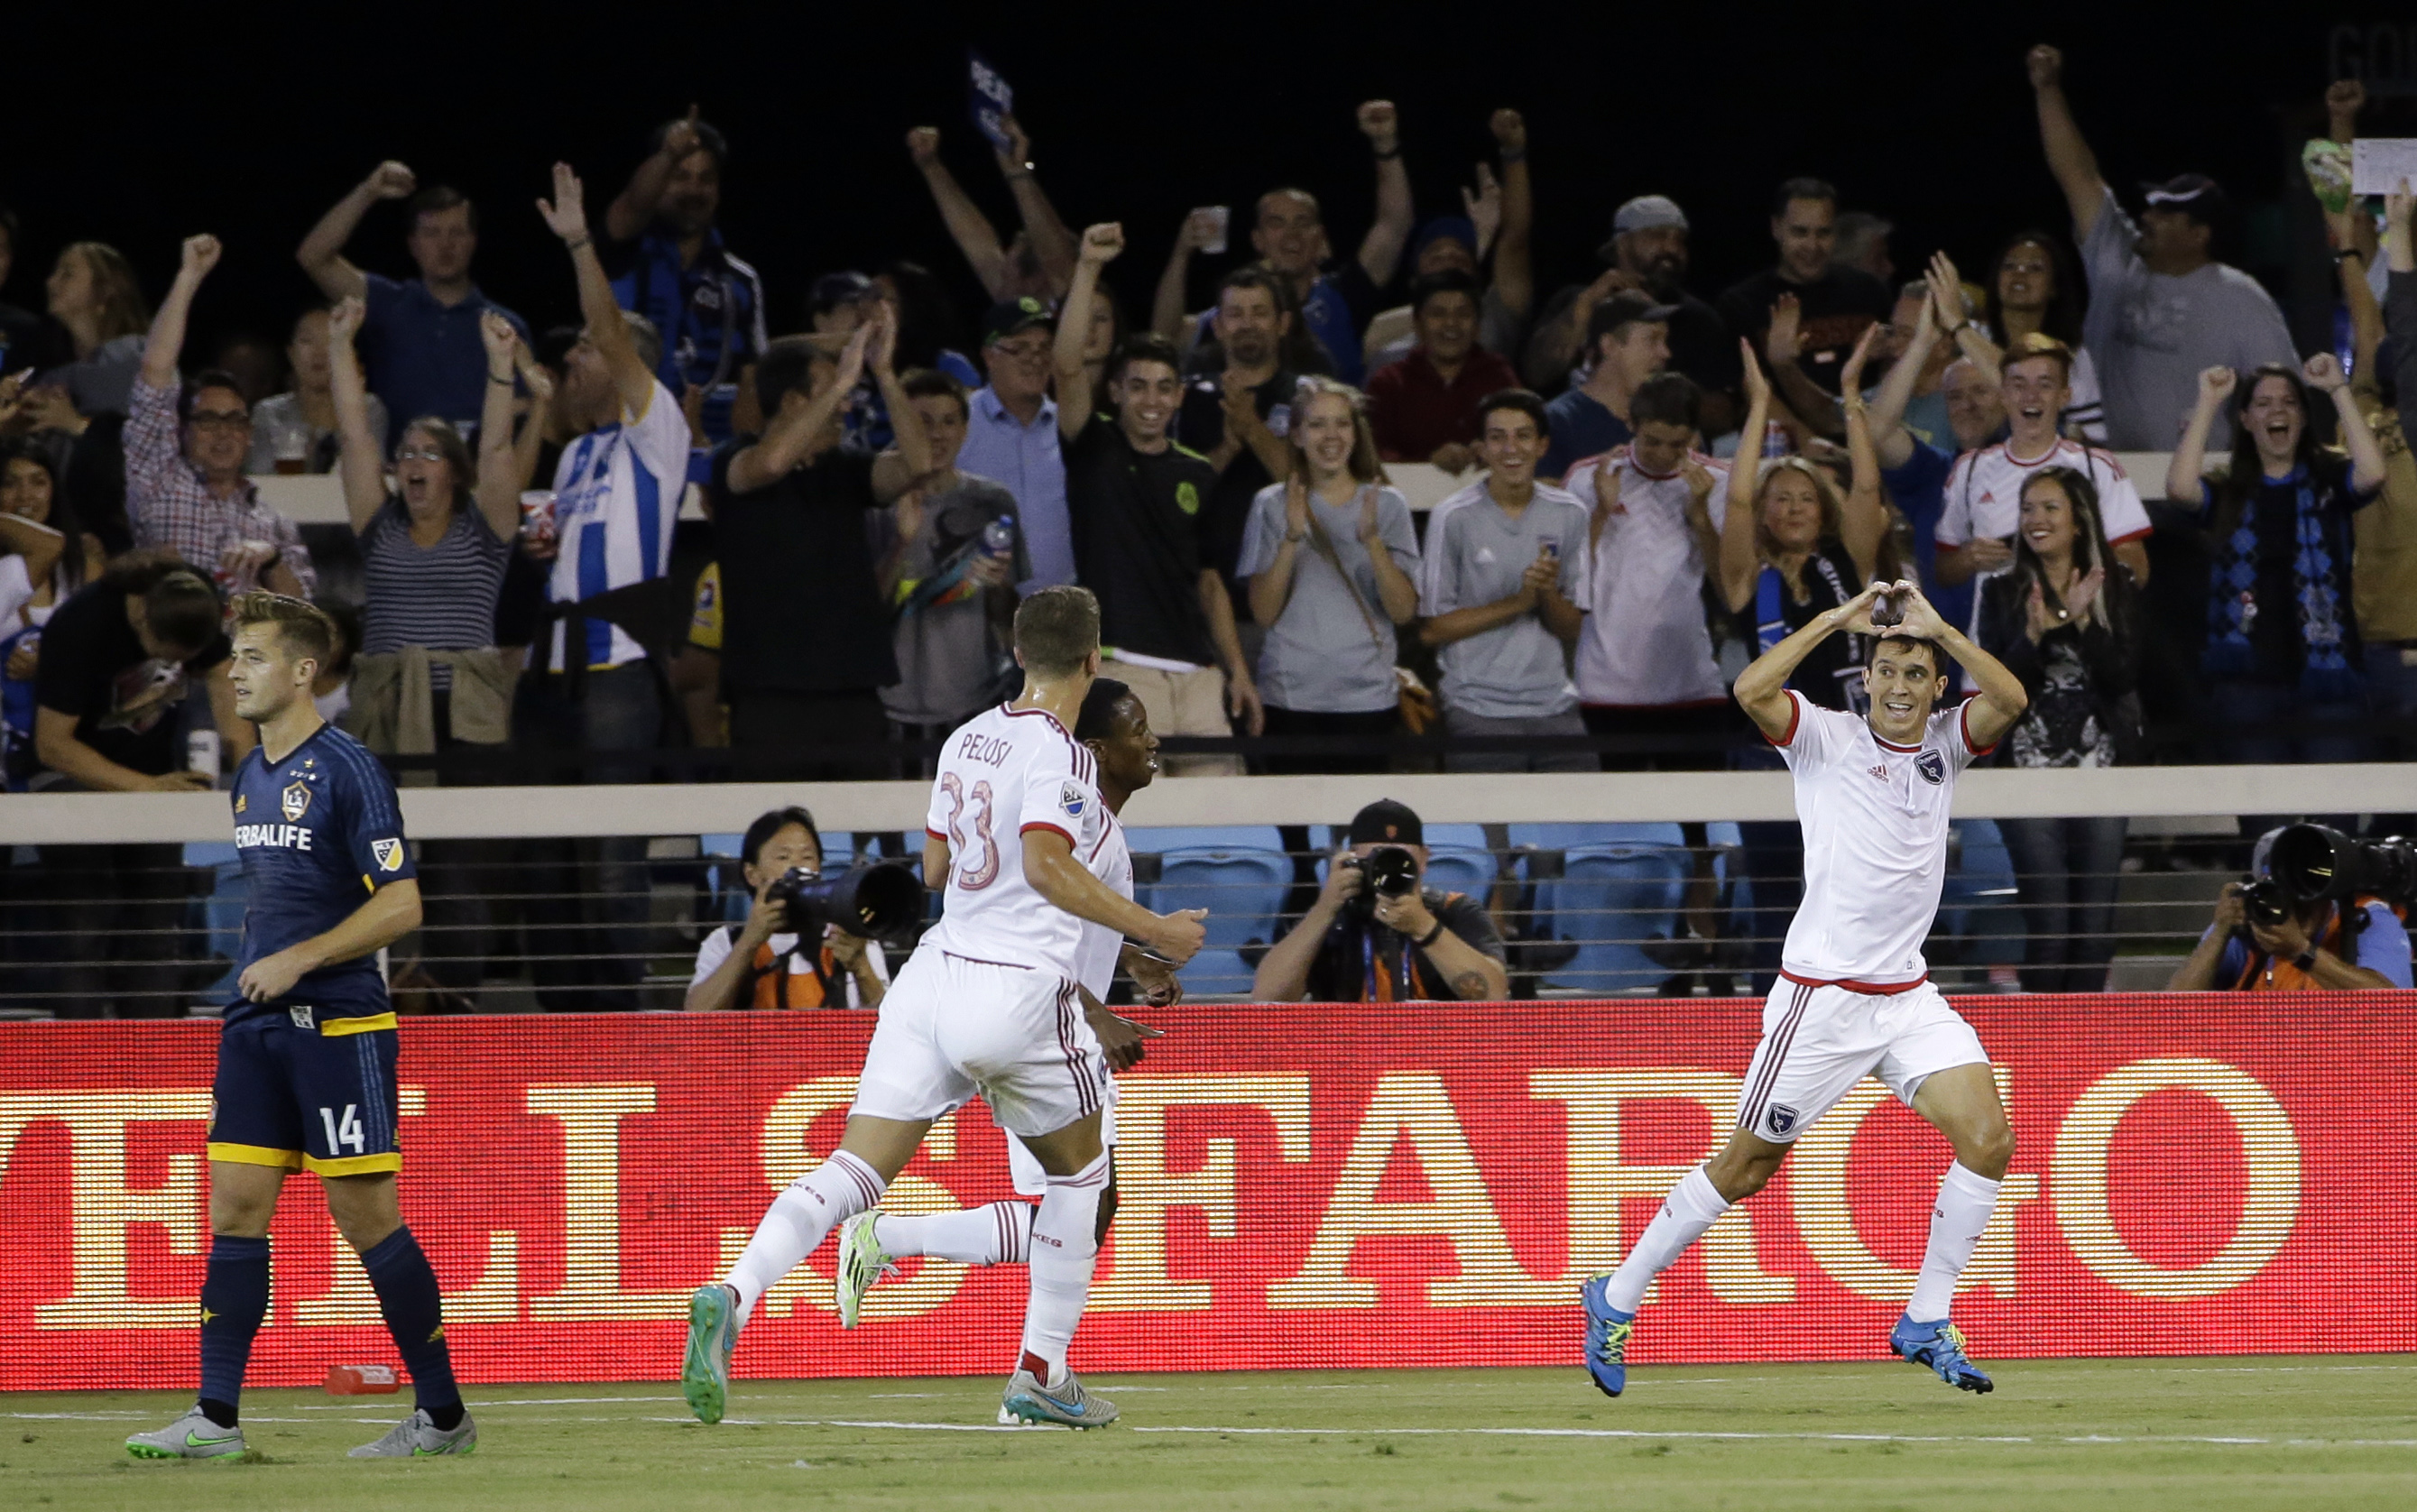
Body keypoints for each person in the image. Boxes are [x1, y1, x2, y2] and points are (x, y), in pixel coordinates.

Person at [678, 586, 1208, 1430]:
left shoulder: (966, 736)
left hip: (934, 975)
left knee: (853, 1171)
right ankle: (1040, 1374)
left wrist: (1125, 953)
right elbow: (1042, 866)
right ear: (1092, 658)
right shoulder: (1065, 757)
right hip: (1015, 989)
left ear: (1014, 648)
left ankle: (735, 1293)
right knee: (1081, 1181)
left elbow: (934, 869)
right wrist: (1158, 932)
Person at [1582, 578, 2027, 1400]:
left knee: (1989, 1141)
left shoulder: (1946, 743)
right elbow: (1750, 689)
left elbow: (2010, 696)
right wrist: (1835, 619)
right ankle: (1614, 1297)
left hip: (1905, 999)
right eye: (1884, 671)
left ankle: (1925, 1319)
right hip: (1820, 1002)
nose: (1897, 686)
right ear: (1864, 681)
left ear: (1935, 688)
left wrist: (1942, 631)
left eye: (1913, 674)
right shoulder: (1821, 738)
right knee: (1747, 1166)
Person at [124, 593, 473, 1461]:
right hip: (254, 1026)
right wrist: (266, 969)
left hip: (338, 1025)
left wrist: (302, 959)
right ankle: (215, 1419)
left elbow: (401, 903)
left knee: (366, 1219)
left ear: (303, 669)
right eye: (234, 656)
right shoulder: (251, 774)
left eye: (251, 656)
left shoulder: (349, 769)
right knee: (234, 1212)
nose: (234, 671)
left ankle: (442, 1417)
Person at [829, 678, 1176, 1311]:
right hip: (1034, 1026)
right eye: (1137, 729)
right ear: (1095, 750)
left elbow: (1056, 926)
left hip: (1042, 1018)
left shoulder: (1085, 828)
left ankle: (892, 1241)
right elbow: (1030, 937)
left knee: (1090, 1215)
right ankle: (889, 1238)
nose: (1153, 741)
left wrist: (1131, 960)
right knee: (1081, 1215)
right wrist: (1093, 1015)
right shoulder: (1076, 830)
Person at [521, 161, 691, 1012]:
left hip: (620, 665)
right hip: (554, 668)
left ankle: (617, 1008)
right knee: (557, 845)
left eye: (586, 348)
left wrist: (581, 240)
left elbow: (615, 338)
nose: (576, 357)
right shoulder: (577, 450)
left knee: (613, 850)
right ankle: (568, 1002)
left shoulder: (657, 430)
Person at [1056, 226, 1261, 775]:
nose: (1152, 399)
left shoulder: (1198, 472)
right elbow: (1067, 367)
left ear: (1179, 396)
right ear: (1117, 392)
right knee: (1134, 837)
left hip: (1198, 676)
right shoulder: (1095, 449)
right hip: (1125, 670)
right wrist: (1086, 268)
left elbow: (1211, 582)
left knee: (1220, 834)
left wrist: (1237, 670)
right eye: (1138, 386)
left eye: (1163, 387)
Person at [1720, 339, 1889, 988]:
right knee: (1774, 903)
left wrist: (1849, 393)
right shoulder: (1744, 577)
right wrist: (1759, 407)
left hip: (1850, 756)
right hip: (1768, 756)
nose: (1790, 506)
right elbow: (1732, 503)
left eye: (1803, 497)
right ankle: (1773, 1018)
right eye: (1779, 498)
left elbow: (1868, 485)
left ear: (1823, 510)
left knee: (1848, 900)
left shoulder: (1846, 566)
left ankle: (1851, 1009)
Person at [2026, 44, 2294, 449]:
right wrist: (2047, 90)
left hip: (2204, 484)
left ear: (2198, 235)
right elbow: (2078, 175)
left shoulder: (2241, 298)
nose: (2147, 218)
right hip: (2116, 480)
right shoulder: (2115, 262)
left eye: (2166, 215)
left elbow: (2284, 398)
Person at [710, 315, 928, 779]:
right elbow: (770, 463)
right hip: (771, 698)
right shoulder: (733, 461)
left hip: (855, 694)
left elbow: (917, 463)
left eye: (846, 393)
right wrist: (842, 379)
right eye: (833, 393)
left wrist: (884, 373)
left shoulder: (844, 468)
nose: (845, 406)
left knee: (866, 841)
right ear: (791, 402)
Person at [29, 559, 241, 1016]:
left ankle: (153, 1060)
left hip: (154, 782)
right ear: (143, 614)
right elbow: (52, 745)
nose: (173, 668)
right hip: (71, 779)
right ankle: (79, 1065)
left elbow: (224, 673)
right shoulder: (81, 626)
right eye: (163, 651)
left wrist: (249, 769)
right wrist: (145, 787)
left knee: (157, 927)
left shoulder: (191, 600)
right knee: (85, 925)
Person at [2169, 357, 2387, 764]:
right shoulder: (2229, 492)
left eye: (2288, 402)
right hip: (2247, 686)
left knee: (2332, 816)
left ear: (2303, 417)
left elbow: (2372, 473)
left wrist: (2338, 390)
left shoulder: (2329, 481)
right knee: (2263, 820)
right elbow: (2181, 488)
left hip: (2327, 680)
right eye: (2264, 404)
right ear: (2247, 420)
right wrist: (2208, 400)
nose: (2277, 411)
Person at [1973, 467, 2143, 992]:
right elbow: (1999, 689)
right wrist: (2033, 636)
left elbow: (2122, 679)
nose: (2036, 520)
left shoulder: (2114, 586)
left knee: (2094, 928)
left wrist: (2086, 622)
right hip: (2027, 773)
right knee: (2049, 925)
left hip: (2103, 771)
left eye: (2050, 508)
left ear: (2077, 520)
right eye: (2028, 508)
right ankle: (2046, 1050)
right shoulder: (2001, 592)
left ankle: (2085, 1048)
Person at [1152, 101, 1414, 384]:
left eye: (1303, 222)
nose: (1292, 234)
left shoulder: (1344, 297)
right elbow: (1164, 339)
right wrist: (1182, 253)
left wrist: (1385, 144)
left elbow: (1394, 225)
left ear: (1322, 239)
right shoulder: (1236, 312)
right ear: (1258, 240)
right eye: (1277, 223)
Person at [1236, 379, 1420, 773]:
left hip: (1368, 700)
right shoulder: (1270, 504)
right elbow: (1263, 613)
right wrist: (1290, 537)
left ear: (1356, 433)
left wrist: (1372, 541)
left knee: (1363, 830)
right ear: (1298, 435)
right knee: (1298, 830)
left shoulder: (1387, 504)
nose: (1332, 436)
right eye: (1318, 425)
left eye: (1342, 424)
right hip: (1289, 699)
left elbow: (1404, 612)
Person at [123, 236, 314, 597]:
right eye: (208, 420)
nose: (223, 432)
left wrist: (271, 561)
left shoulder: (274, 522)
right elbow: (155, 372)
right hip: (176, 646)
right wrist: (189, 277)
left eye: (235, 421)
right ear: (184, 432)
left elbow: (303, 612)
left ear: (249, 434)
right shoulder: (159, 482)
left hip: (248, 650)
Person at [1935, 336, 2154, 649]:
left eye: (2045, 384)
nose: (2031, 396)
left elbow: (2136, 567)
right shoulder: (1970, 469)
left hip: (2078, 661)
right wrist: (1969, 559)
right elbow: (1943, 569)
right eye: (2019, 385)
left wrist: (2076, 574)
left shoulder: (2096, 467)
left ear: (2065, 395)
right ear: (2003, 394)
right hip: (1994, 661)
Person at [1418, 390, 1591, 771]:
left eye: (1523, 436)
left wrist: (1546, 592)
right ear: (1481, 448)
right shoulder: (1453, 516)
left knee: (1580, 826)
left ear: (1542, 445)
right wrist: (1520, 601)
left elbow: (1572, 627)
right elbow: (1432, 629)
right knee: (1491, 830)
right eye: (1498, 437)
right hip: (1476, 707)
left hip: (1555, 705)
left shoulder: (1570, 513)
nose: (1511, 448)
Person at [1564, 373, 1730, 766]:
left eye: (1677, 444)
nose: (1662, 454)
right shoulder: (1587, 478)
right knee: (1619, 824)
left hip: (1692, 686)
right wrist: (1601, 512)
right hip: (1606, 689)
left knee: (1701, 821)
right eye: (1651, 441)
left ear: (1693, 435)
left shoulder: (1718, 481)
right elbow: (1567, 583)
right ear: (1630, 425)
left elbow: (1731, 592)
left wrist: (1702, 517)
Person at [296, 164, 529, 446]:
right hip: (400, 475)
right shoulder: (388, 302)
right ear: (413, 244)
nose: (445, 245)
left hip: (480, 474)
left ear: (473, 241)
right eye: (432, 233)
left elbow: (527, 408)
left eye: (456, 232)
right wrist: (367, 192)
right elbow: (313, 257)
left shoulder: (506, 326)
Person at [871, 368, 1027, 745]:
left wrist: (1000, 585)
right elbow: (862, 612)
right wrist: (901, 544)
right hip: (888, 706)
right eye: (922, 422)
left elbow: (1007, 617)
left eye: (948, 422)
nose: (937, 434)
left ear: (964, 429)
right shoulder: (873, 503)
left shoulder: (993, 500)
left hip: (976, 702)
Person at [604, 109, 767, 449]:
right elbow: (632, 206)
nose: (694, 190)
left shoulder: (740, 280)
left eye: (706, 179)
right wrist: (668, 154)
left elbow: (751, 384)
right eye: (680, 176)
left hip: (705, 454)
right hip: (621, 441)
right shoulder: (621, 252)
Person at [1252, 798, 1509, 1003]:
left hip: (1439, 1050)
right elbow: (1268, 996)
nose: (1389, 869)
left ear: (1423, 859)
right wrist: (1324, 909)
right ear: (1353, 859)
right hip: (1349, 1052)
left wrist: (1424, 927)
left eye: (1399, 859)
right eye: (1376, 860)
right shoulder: (1333, 917)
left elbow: (1494, 995)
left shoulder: (1454, 911)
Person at [1526, 195, 1740, 435]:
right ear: (1622, 243)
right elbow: (1538, 374)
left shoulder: (1696, 318)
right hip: (1572, 437)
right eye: (1657, 235)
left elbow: (1723, 416)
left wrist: (1657, 388)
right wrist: (1587, 303)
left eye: (1679, 240)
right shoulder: (1575, 300)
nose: (1671, 248)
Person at [1357, 108, 1536, 373]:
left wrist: (1513, 152)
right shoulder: (1383, 328)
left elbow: (1515, 239)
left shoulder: (1496, 314)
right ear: (1415, 277)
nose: (1449, 261)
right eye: (1436, 257)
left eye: (1459, 257)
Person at [1715, 180, 1894, 424]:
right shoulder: (1741, 304)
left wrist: (1882, 357)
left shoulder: (1869, 291)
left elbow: (1895, 378)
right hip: (1781, 444)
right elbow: (1751, 393)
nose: (1812, 246)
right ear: (1776, 228)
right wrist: (1806, 443)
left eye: (1823, 233)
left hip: (1868, 433)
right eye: (1800, 232)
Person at [1176, 268, 1305, 595]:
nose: (1248, 324)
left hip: (1290, 589)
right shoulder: (1186, 398)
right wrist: (1227, 448)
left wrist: (1251, 426)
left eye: (1260, 313)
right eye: (1235, 314)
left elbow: (1304, 489)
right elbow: (1177, 496)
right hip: (1206, 591)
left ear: (1283, 324)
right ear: (1218, 327)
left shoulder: (1309, 399)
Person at [687, 807, 889, 1011]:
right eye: (783, 857)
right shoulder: (725, 942)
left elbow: (890, 1024)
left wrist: (861, 966)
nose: (797, 868)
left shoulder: (849, 937)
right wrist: (748, 942)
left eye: (807, 857)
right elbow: (694, 1021)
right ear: (752, 874)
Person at [2167, 830, 2412, 991]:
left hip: (2346, 1058)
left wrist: (2301, 952)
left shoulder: (2366, 918)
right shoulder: (2252, 915)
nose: (2292, 912)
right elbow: (2173, 1011)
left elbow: (2387, 1006)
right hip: (2258, 1056)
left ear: (2326, 894)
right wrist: (2220, 932)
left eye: (2303, 900)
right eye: (2281, 897)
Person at [0, 442, 103, 787]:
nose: (25, 495)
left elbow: (108, 654)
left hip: (69, 728)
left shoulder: (85, 569)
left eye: (38, 481)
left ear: (55, 491)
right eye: (10, 483)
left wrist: (51, 664)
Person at [955, 296, 1075, 591]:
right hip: (976, 616)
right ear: (989, 355)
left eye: (1044, 348)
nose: (1035, 359)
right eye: (1019, 348)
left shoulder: (1070, 427)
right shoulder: (957, 423)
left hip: (1061, 616)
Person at [905, 119, 1077, 306]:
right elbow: (974, 240)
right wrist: (930, 165)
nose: (998, 278)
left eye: (1007, 274)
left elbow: (1056, 257)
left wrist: (1018, 173)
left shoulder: (1069, 306)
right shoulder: (1014, 301)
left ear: (1036, 282)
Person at [1365, 269, 1522, 471]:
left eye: (1463, 314)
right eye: (1438, 314)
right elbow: (1371, 453)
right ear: (1418, 324)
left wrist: (1491, 449)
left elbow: (1523, 439)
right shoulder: (1388, 382)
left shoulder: (1499, 376)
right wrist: (1429, 461)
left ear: (1477, 326)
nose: (1451, 323)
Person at [1977, 232, 2105, 442]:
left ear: (2054, 287)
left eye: (2035, 268)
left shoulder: (2074, 357)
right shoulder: (1970, 340)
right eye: (2009, 266)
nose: (2020, 274)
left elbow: (2092, 438)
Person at [1541, 291, 1674, 482]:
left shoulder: (1674, 417)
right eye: (1652, 340)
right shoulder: (1558, 422)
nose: (1665, 353)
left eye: (1665, 341)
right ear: (1609, 345)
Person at [245, 307, 387, 475]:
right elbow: (261, 477)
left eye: (330, 340)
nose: (318, 352)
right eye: (307, 341)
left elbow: (372, 474)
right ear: (291, 353)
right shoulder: (268, 413)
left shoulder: (368, 409)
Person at [28, 241, 149, 421]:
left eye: (67, 274)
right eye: (55, 273)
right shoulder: (56, 365)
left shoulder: (135, 353)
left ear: (105, 291)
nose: (50, 282)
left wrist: (31, 392)